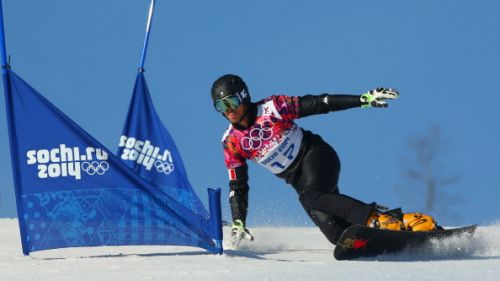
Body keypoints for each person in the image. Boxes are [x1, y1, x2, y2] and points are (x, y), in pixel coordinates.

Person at [211, 74, 438, 246]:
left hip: (316, 155)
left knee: (313, 196)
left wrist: (362, 99)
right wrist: (239, 221)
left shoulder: (272, 108)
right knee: (340, 236)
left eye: (230, 102)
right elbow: (237, 186)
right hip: (299, 182)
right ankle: (406, 221)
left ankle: (374, 217)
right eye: (221, 106)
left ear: (243, 96)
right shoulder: (231, 142)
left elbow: (320, 103)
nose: (228, 110)